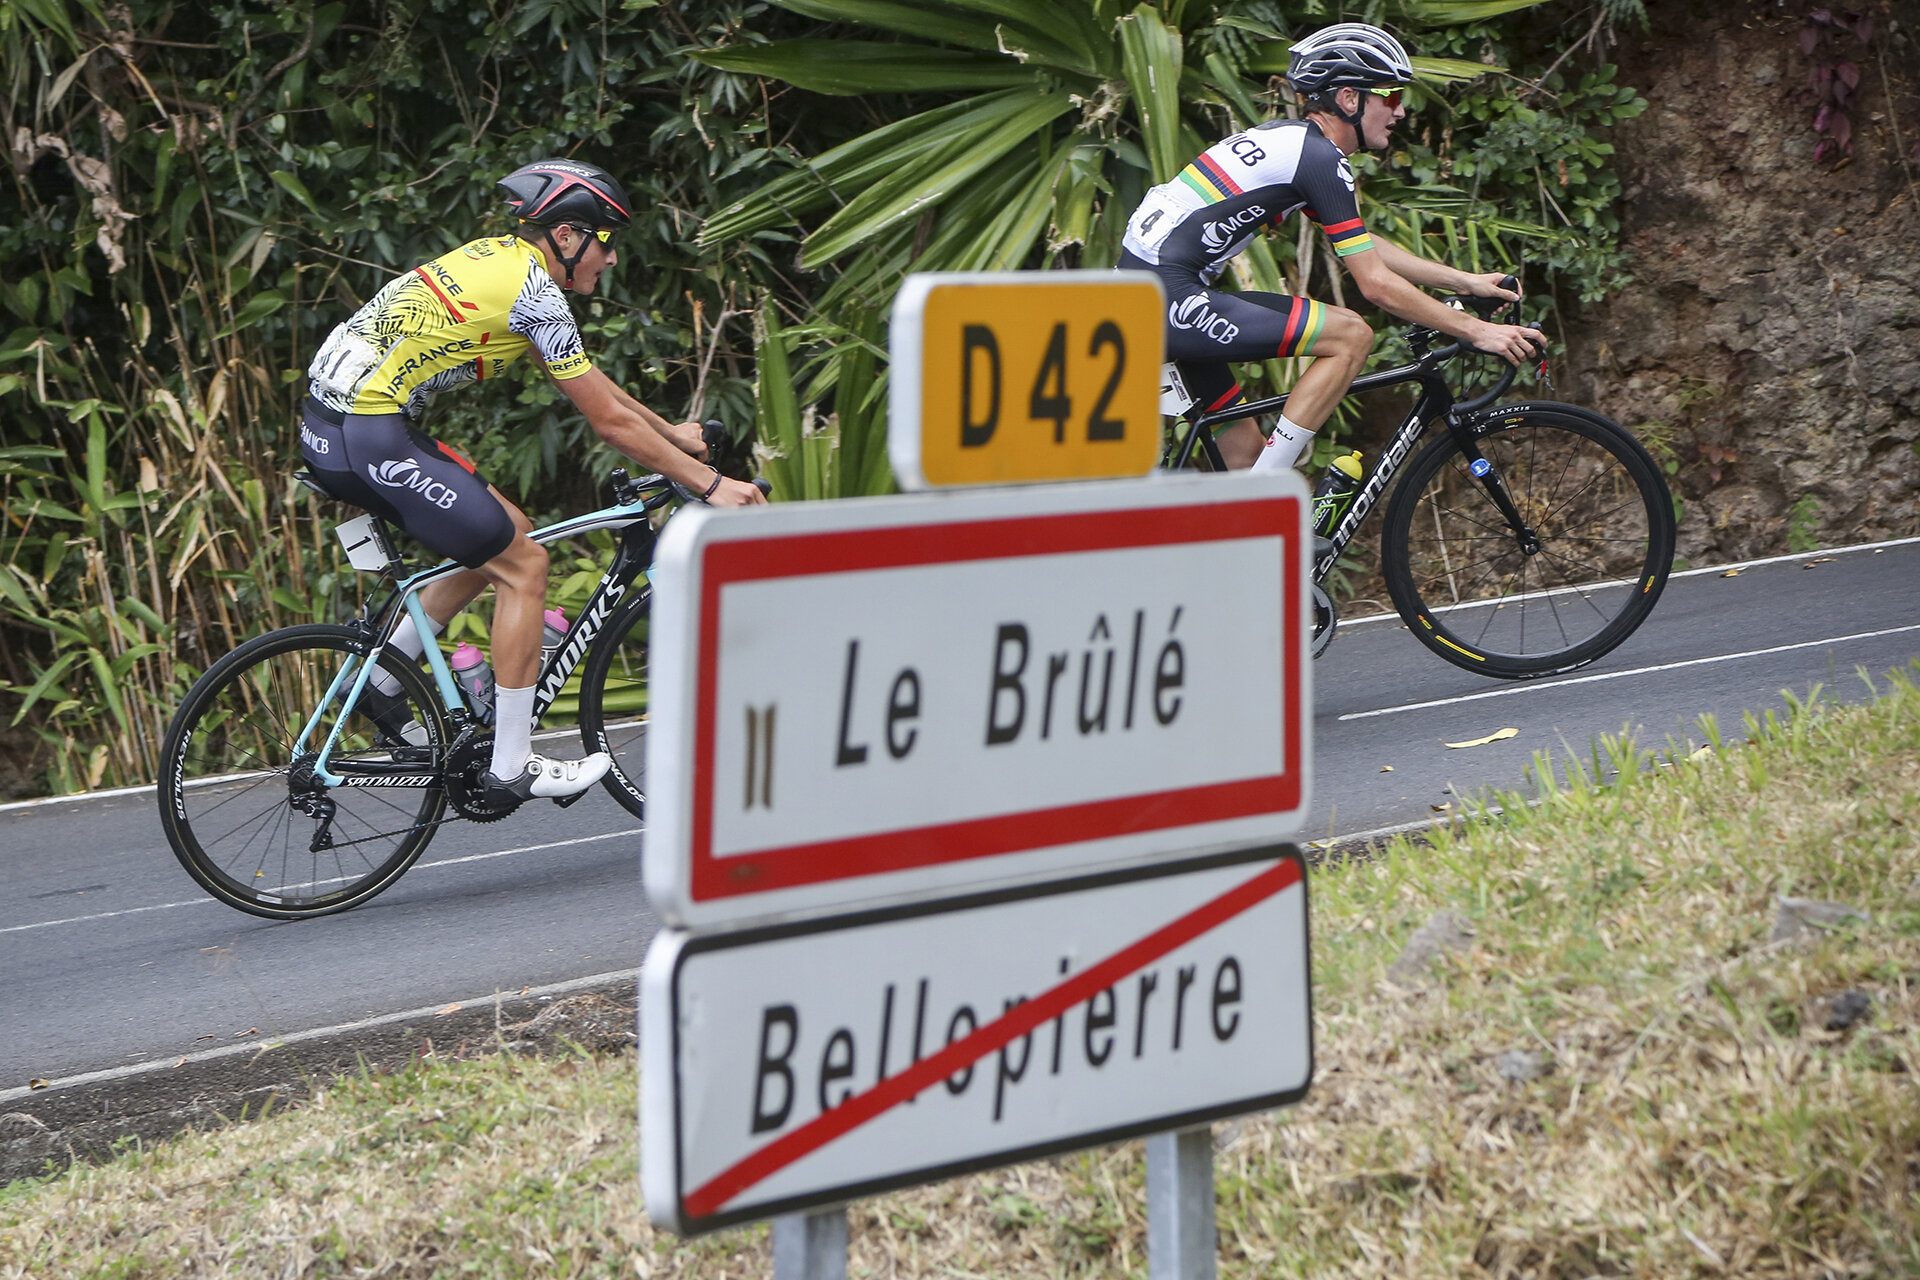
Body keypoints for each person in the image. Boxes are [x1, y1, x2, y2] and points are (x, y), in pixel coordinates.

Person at [299, 158, 765, 805]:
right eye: (606, 242)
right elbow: (607, 423)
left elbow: (598, 389)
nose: (611, 259)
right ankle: (511, 764)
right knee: (526, 566)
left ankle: (383, 679)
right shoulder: (536, 293)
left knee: (507, 533)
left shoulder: (505, 261)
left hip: (345, 423)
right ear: (570, 236)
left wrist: (676, 438)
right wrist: (711, 486)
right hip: (367, 432)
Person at [1120, 22, 1546, 475]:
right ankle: (1271, 490)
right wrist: (1476, 331)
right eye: (1392, 97)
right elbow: (1375, 285)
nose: (1399, 113)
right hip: (1166, 297)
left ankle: (1232, 519)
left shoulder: (1292, 142)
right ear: (1349, 99)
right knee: (1351, 335)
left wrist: (1463, 281)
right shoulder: (1319, 159)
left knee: (1242, 458)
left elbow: (1362, 244)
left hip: (1151, 294)